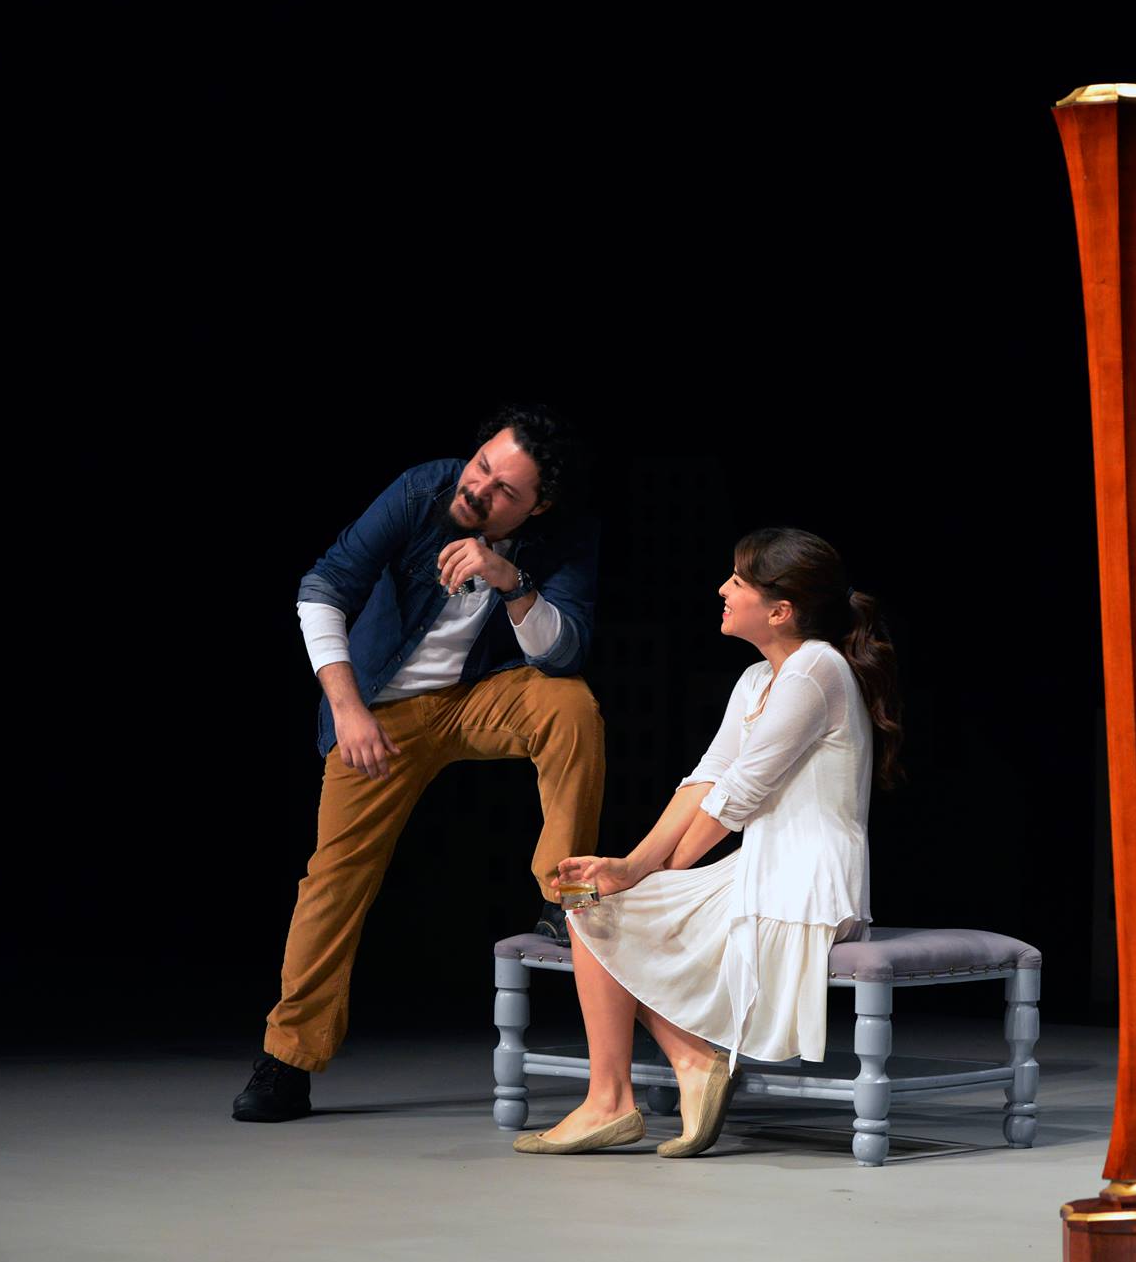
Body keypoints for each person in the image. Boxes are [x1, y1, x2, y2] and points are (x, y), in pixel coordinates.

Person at [233, 404, 604, 1123]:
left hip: (476, 698)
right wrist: (348, 710)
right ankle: (287, 1060)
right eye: (482, 467)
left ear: (538, 506)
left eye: (504, 490)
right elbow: (323, 588)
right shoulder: (421, 490)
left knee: (571, 706)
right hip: (380, 712)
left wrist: (510, 579)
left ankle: (563, 897)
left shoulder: (566, 534)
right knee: (334, 879)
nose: (479, 489)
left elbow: (562, 654)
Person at [515, 527, 901, 1157]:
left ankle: (634, 1090)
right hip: (761, 869)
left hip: (806, 884)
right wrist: (629, 866)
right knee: (591, 901)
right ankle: (667, 1073)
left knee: (601, 908)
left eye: (738, 582)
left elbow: (738, 798)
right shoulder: (757, 678)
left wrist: (643, 873)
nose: (723, 589)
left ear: (779, 611)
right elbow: (707, 778)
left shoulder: (816, 670)